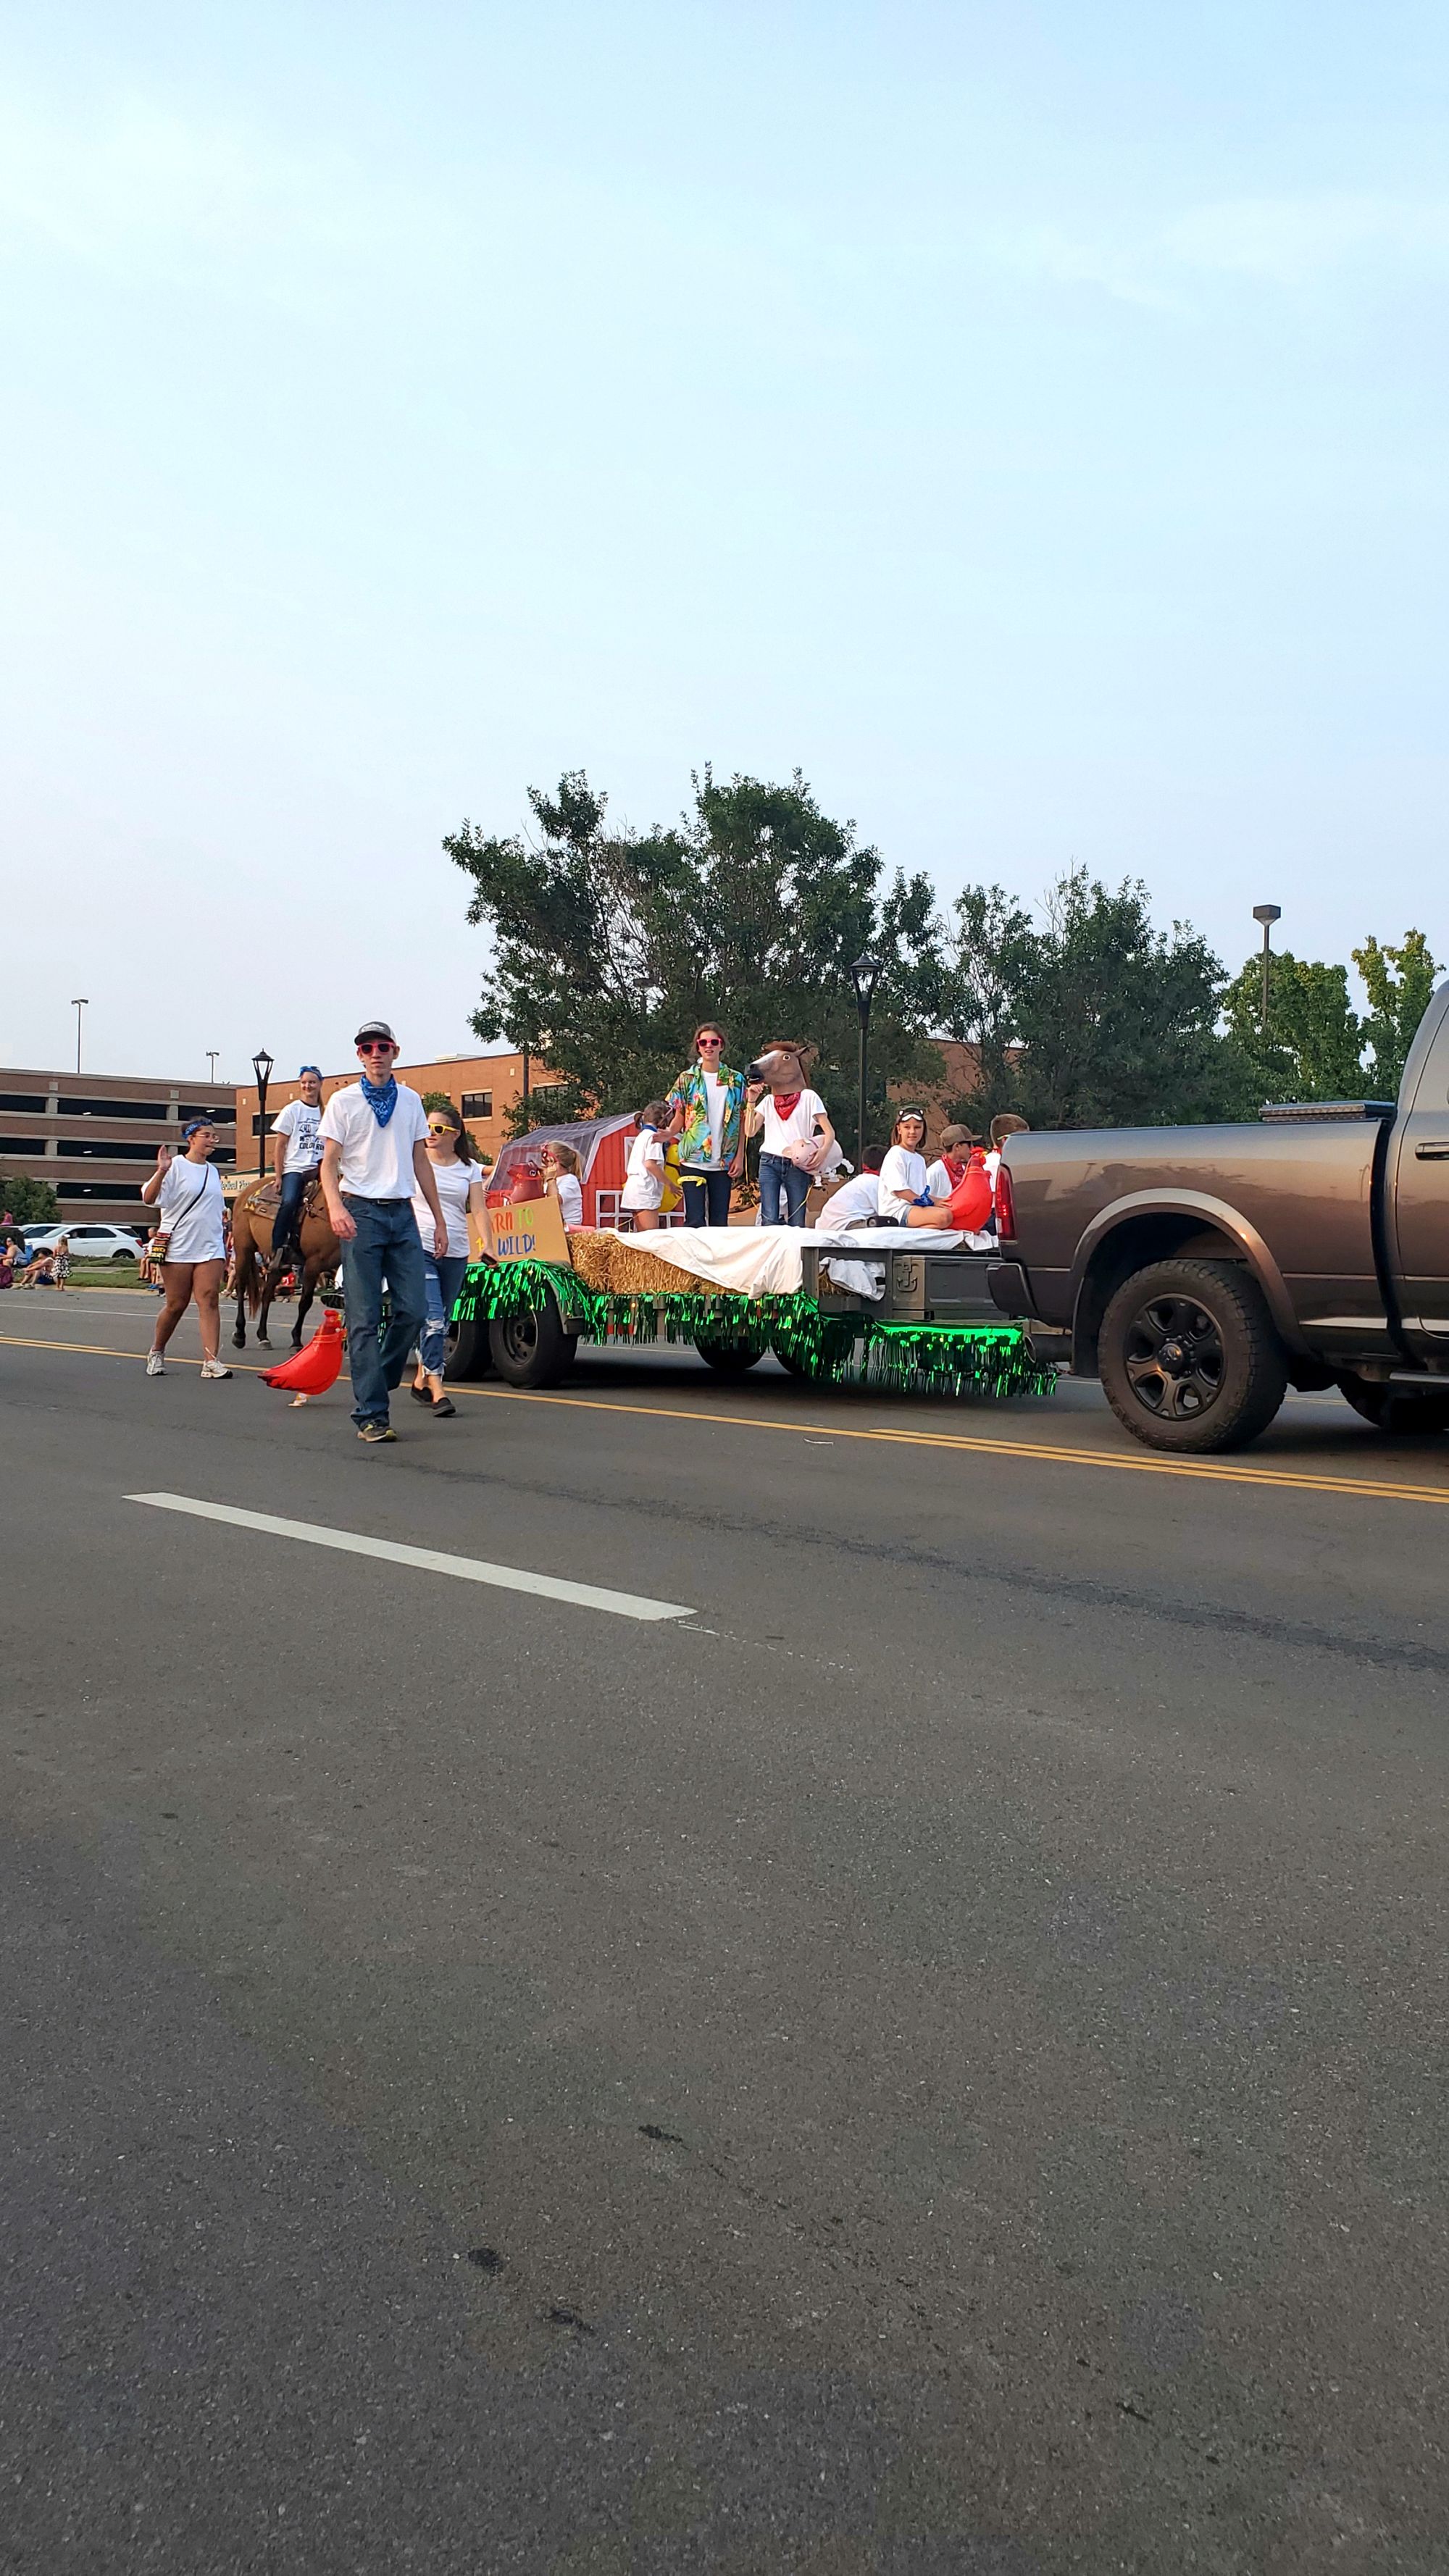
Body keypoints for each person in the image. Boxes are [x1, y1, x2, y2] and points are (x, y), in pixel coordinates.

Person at [318, 1021, 445, 1444]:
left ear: (395, 1052)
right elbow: (329, 1162)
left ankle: (380, 1375)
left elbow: (421, 1161)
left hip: (402, 1212)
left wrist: (439, 1219)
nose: (376, 1053)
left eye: (383, 1046)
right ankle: (372, 1415)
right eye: (368, 1047)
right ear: (359, 1055)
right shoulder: (343, 1101)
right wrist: (336, 1207)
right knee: (365, 1316)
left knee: (414, 1309)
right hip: (360, 1212)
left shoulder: (410, 1101)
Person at [409, 1099, 487, 1419]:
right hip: (420, 1247)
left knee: (443, 1320)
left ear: (455, 1134)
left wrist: (487, 1244)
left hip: (456, 1251)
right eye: (427, 1127)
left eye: (439, 1129)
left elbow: (479, 1209)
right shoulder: (414, 1160)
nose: (431, 1133)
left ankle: (420, 1379)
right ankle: (438, 1389)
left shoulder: (468, 1168)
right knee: (434, 1320)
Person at [140, 1120, 232, 1378]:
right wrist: (161, 1171)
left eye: (215, 1136)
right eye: (207, 1135)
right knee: (176, 1304)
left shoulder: (213, 1171)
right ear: (191, 1138)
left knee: (210, 1299)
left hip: (209, 1246)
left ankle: (211, 1361)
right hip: (178, 1245)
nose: (213, 1140)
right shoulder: (176, 1166)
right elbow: (149, 1198)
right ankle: (157, 1351)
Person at [744, 1050, 835, 1227]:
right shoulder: (769, 1101)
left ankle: (796, 1254)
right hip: (770, 1160)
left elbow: (829, 1132)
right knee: (769, 1216)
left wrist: (823, 1152)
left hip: (797, 1162)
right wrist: (751, 1102)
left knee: (797, 1216)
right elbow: (750, 1131)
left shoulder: (809, 1097)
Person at [667, 1025, 746, 1226]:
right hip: (693, 1158)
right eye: (703, 1043)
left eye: (713, 1042)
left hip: (723, 1161)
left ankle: (719, 1259)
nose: (708, 1046)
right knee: (694, 1220)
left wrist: (740, 1156)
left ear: (721, 1046)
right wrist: (667, 1134)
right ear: (698, 1048)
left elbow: (742, 1118)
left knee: (720, 1221)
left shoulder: (736, 1080)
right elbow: (679, 1116)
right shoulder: (687, 1079)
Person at [268, 1066, 325, 1271]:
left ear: (320, 1084)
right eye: (304, 1082)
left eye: (312, 1082)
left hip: (320, 1167)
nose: (307, 1086)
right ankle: (278, 1247)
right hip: (295, 1167)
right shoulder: (293, 1110)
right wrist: (279, 1176)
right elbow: (281, 1144)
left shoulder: (326, 1112)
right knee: (290, 1201)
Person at [620, 1102, 671, 1230]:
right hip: (645, 1190)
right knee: (651, 1238)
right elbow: (650, 1164)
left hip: (633, 1189)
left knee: (641, 1238)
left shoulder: (641, 1136)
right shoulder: (655, 1138)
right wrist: (670, 1184)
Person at [817, 1145, 885, 1229]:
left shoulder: (859, 1181)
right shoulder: (877, 1183)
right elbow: (887, 1212)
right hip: (846, 1226)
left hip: (825, 1226)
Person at [926, 1125, 981, 1200]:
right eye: (969, 1144)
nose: (972, 1148)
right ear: (957, 1146)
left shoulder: (965, 1170)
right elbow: (925, 1199)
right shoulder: (935, 1172)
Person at [539, 1141, 585, 1229]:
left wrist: (551, 1179)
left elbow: (553, 1202)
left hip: (568, 1229)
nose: (543, 1165)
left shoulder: (570, 1180)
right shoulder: (547, 1183)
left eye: (548, 1162)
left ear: (557, 1164)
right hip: (553, 1226)